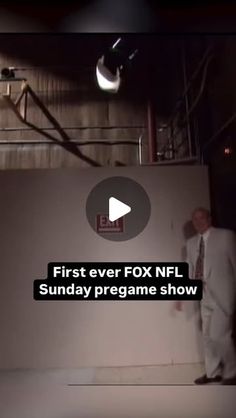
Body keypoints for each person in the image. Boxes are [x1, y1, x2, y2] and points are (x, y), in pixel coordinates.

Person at [176, 207, 236, 384]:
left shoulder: (226, 236)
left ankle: (232, 372)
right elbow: (189, 269)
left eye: (201, 218)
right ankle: (212, 373)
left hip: (223, 295)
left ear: (209, 218)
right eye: (195, 219)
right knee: (208, 337)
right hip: (204, 295)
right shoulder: (191, 243)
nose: (198, 222)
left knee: (220, 336)